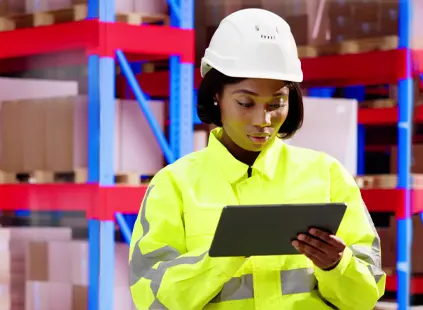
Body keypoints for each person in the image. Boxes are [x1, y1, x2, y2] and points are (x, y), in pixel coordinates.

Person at [128, 8, 385, 310]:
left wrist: (337, 266)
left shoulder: (327, 176)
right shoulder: (175, 186)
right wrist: (222, 256)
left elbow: (367, 296)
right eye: (245, 103)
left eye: (276, 103)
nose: (263, 120)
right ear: (216, 96)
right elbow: (151, 297)